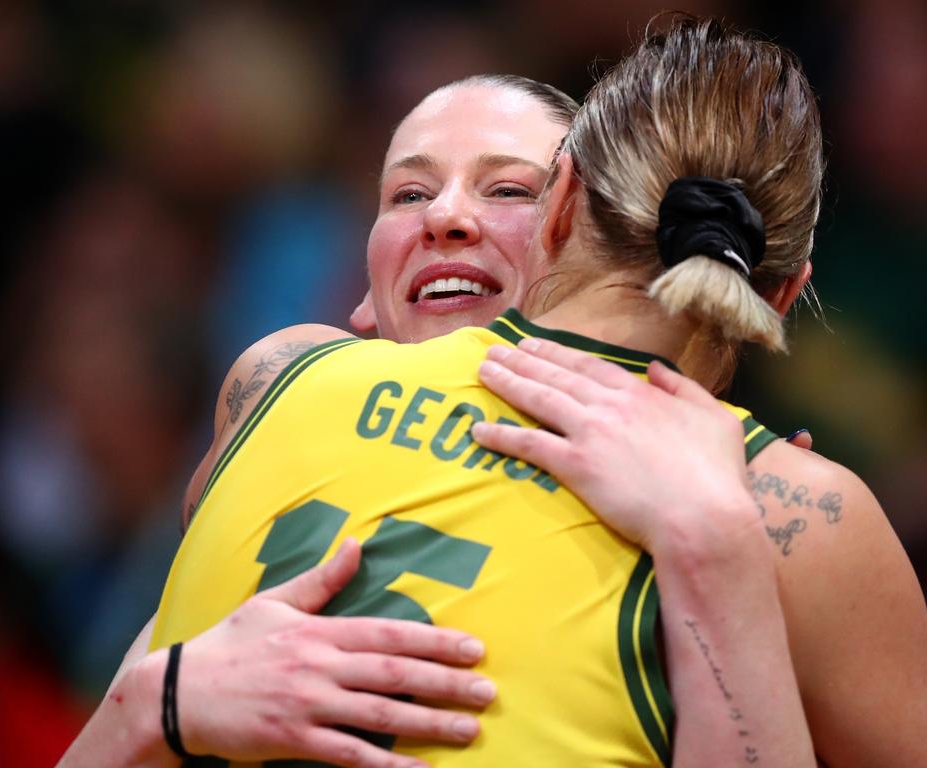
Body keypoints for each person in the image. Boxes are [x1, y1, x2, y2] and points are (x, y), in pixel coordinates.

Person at [145, 17, 925, 767]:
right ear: (781, 296)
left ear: (560, 208)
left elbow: (142, 694)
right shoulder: (789, 513)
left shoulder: (282, 377)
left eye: (508, 191)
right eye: (407, 195)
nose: (448, 216)